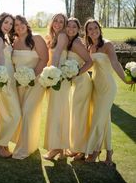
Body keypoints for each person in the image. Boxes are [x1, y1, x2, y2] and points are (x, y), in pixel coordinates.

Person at [84, 19, 134, 165]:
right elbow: (89, 67)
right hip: (96, 86)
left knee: (98, 118)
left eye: (95, 28)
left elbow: (115, 63)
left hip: (107, 87)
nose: (93, 31)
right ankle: (109, 153)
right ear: (87, 33)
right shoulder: (90, 47)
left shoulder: (107, 45)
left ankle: (95, 150)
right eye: (90, 29)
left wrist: (125, 79)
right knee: (104, 119)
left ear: (99, 29)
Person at [12, 15, 48, 159]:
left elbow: (44, 59)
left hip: (36, 81)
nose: (19, 27)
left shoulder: (36, 38)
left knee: (28, 111)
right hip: (20, 83)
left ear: (27, 25)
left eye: (22, 24)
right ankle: (30, 144)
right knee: (21, 112)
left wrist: (31, 76)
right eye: (16, 25)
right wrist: (21, 79)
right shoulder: (13, 42)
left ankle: (24, 149)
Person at [0, 12, 21, 158]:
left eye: (11, 24)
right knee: (15, 115)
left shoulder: (5, 37)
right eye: (6, 22)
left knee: (7, 115)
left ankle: (3, 144)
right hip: (4, 80)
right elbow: (1, 60)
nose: (8, 26)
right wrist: (3, 80)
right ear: (0, 22)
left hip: (10, 79)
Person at [43, 13, 70, 160]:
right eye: (56, 21)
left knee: (57, 112)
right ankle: (60, 147)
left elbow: (57, 54)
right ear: (52, 22)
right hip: (56, 77)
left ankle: (56, 148)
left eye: (61, 22)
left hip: (58, 78)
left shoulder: (62, 36)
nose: (58, 24)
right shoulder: (53, 37)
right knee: (57, 112)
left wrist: (50, 75)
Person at [65, 17, 93, 160]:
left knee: (80, 116)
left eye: (74, 27)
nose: (71, 29)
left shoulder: (76, 43)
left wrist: (77, 73)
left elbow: (90, 61)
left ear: (78, 29)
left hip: (82, 83)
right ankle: (76, 147)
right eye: (68, 26)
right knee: (75, 115)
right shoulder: (69, 42)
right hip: (75, 84)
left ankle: (82, 150)